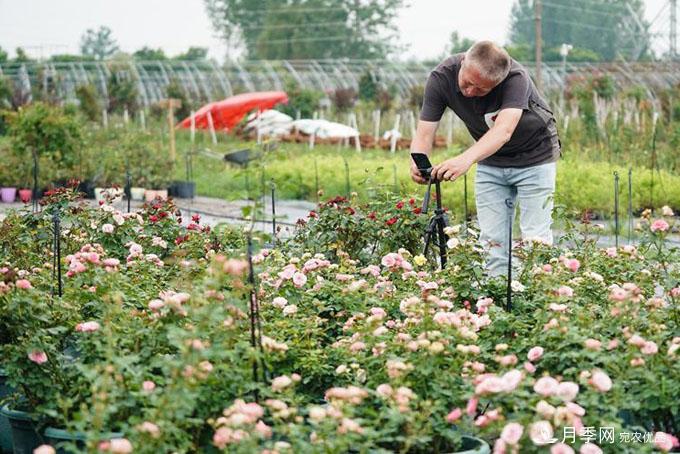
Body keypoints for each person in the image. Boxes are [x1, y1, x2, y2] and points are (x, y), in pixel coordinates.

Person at [410, 40, 561, 277]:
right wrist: (417, 159)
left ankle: (537, 303)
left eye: (481, 89)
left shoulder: (516, 78)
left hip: (536, 157)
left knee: (536, 240)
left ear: (498, 83)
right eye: (467, 83)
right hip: (491, 161)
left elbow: (503, 131)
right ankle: (497, 303)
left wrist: (464, 160)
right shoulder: (441, 77)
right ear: (463, 64)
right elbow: (425, 131)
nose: (471, 92)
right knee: (492, 242)